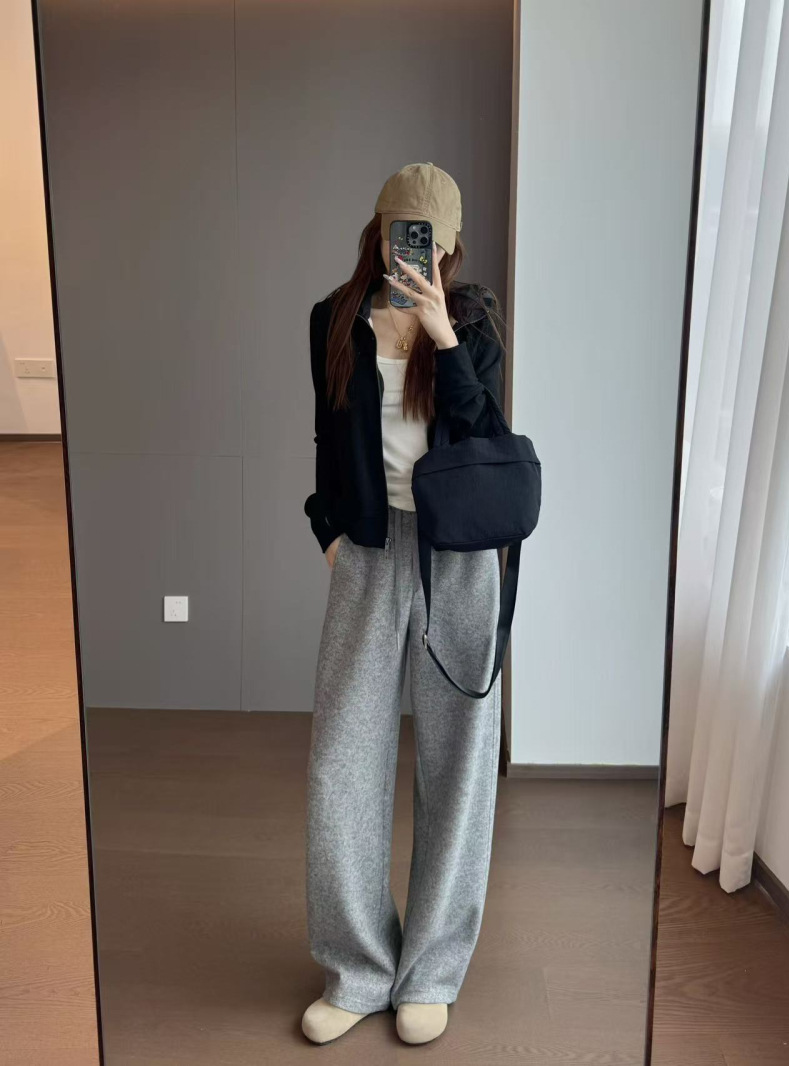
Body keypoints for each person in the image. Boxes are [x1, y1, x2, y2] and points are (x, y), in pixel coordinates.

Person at [301, 162, 505, 1046]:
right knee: (341, 763)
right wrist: (327, 528)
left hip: (458, 555)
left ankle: (430, 971)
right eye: (399, 232)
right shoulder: (333, 318)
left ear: (450, 247)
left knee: (459, 762)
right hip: (370, 546)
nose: (413, 250)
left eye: (430, 239)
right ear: (378, 231)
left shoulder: (474, 320)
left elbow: (488, 436)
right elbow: (325, 429)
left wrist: (444, 340)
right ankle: (357, 969)